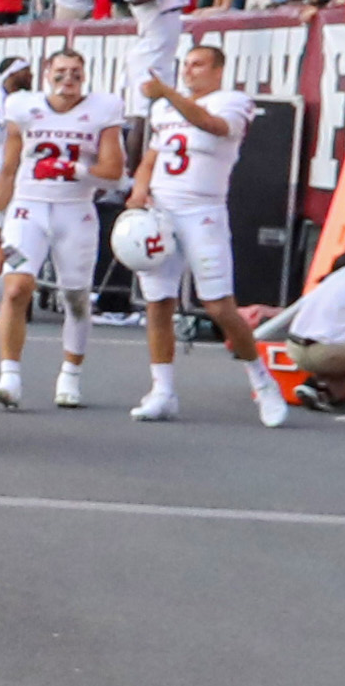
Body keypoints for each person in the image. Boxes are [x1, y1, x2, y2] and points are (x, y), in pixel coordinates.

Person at [125, 40, 291, 428]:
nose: (189, 71)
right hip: (162, 210)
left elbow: (211, 126)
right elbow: (152, 157)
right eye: (186, 65)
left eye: (198, 65)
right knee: (158, 301)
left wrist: (166, 92)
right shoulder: (166, 107)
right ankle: (162, 389)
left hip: (202, 210)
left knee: (218, 305)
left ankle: (262, 381)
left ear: (218, 69)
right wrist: (138, 191)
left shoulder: (232, 101)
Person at [0, 42, 123, 411]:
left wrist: (73, 170)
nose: (68, 80)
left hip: (75, 209)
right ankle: (9, 377)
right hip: (29, 205)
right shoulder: (23, 107)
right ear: (47, 75)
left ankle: (70, 375)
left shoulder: (102, 109)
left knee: (75, 298)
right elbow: (9, 168)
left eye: (75, 73)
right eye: (60, 72)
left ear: (85, 76)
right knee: (16, 287)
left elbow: (114, 173)